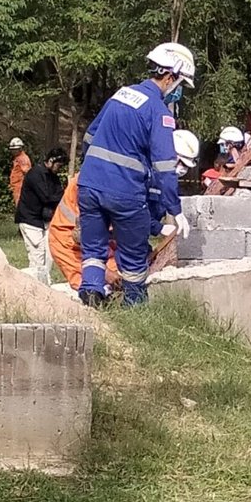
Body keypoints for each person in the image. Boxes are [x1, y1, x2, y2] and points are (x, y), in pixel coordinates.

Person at [77, 42, 195, 307]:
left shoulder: (121, 94)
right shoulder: (159, 112)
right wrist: (175, 210)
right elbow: (165, 166)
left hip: (89, 185)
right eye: (181, 85)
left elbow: (89, 137)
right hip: (124, 192)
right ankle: (135, 308)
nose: (179, 93)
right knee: (133, 254)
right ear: (170, 75)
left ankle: (91, 298)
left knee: (94, 250)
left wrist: (95, 170)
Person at [16, 148, 68, 283]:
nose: (60, 169)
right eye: (59, 165)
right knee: (37, 254)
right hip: (29, 220)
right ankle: (34, 285)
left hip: (43, 220)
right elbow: (46, 197)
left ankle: (45, 282)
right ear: (51, 161)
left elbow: (60, 195)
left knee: (49, 252)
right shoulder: (35, 174)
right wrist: (61, 196)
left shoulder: (53, 177)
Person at [8, 137, 32, 205]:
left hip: (20, 187)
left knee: (21, 206)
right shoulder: (18, 158)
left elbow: (27, 172)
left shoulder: (22, 159)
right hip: (17, 187)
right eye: (12, 150)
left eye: (15, 150)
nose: (13, 151)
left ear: (20, 149)